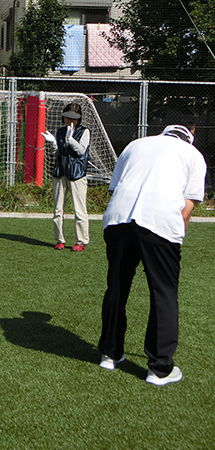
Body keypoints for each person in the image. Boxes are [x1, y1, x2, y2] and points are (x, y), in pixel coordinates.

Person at [97, 125, 206, 385]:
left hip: (117, 219)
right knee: (164, 292)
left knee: (116, 286)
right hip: (159, 221)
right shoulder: (192, 155)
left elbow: (114, 190)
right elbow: (187, 208)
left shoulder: (136, 145)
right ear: (188, 137)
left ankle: (109, 354)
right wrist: (175, 240)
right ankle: (159, 368)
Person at [42, 103, 91, 252]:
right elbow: (57, 154)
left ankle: (81, 241)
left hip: (77, 175)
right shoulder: (60, 131)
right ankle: (59, 239)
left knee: (79, 210)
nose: (71, 121)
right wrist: (53, 144)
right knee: (58, 210)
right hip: (60, 173)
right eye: (68, 117)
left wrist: (71, 140)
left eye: (74, 118)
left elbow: (81, 151)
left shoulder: (84, 131)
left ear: (78, 119)